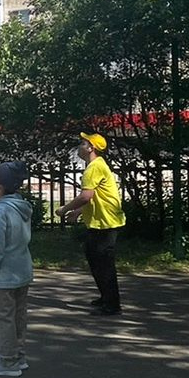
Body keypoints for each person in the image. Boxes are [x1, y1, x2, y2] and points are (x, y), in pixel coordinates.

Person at [60, 132, 125, 315]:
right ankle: (106, 297)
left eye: (83, 143)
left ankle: (112, 306)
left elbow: (86, 196)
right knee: (95, 259)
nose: (79, 146)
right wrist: (78, 212)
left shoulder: (94, 168)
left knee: (104, 265)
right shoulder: (97, 165)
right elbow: (96, 196)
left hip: (105, 223)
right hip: (101, 222)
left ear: (91, 148)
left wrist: (65, 209)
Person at [0, 162, 33, 378]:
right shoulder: (20, 208)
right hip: (21, 272)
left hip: (3, 277)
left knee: (3, 319)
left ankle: (7, 361)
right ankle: (18, 356)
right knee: (18, 317)